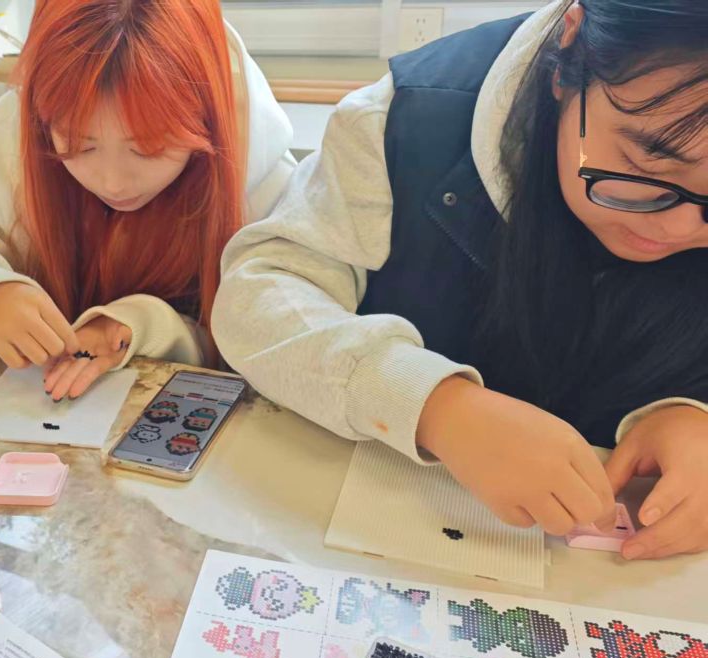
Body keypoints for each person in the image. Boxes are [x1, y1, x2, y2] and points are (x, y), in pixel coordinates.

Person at [213, 0, 707, 559]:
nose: (678, 227)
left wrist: (694, 416)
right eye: (648, 163)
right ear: (569, 48)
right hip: (397, 541)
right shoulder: (405, 122)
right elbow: (258, 297)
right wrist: (433, 405)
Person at [0, 0, 295, 400]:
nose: (113, 182)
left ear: (206, 119)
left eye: (149, 148)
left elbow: (271, 342)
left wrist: (143, 325)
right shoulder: (9, 139)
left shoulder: (262, 176)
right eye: (78, 145)